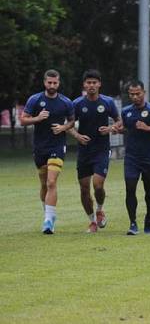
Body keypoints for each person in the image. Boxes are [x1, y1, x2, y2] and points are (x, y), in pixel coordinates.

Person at [20, 69, 75, 234]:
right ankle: (48, 213)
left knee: (52, 182)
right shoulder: (35, 100)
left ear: (59, 83)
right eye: (49, 82)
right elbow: (23, 119)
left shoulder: (66, 102)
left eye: (55, 83)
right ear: (45, 83)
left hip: (57, 146)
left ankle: (48, 221)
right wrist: (37, 118)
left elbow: (72, 122)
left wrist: (63, 127)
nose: (52, 85)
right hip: (40, 147)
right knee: (44, 183)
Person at [113, 80, 150, 235]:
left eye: (138, 93)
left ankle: (149, 218)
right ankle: (132, 223)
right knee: (130, 189)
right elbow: (127, 128)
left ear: (144, 92)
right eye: (132, 94)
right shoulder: (126, 111)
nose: (135, 96)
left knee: (149, 190)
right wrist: (117, 130)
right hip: (131, 157)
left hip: (148, 158)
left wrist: (147, 128)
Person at [70, 70, 120, 233]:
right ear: (84, 85)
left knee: (98, 185)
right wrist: (77, 136)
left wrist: (111, 128)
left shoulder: (107, 102)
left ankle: (100, 209)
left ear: (99, 84)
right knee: (84, 189)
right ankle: (92, 221)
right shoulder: (77, 103)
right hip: (84, 152)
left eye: (94, 82)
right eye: (88, 83)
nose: (91, 85)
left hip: (101, 150)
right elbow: (68, 125)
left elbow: (120, 122)